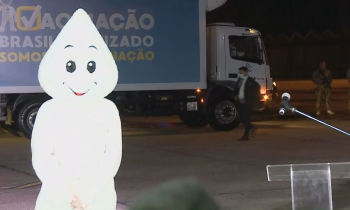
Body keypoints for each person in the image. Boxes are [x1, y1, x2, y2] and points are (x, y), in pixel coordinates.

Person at [233, 66, 260, 141]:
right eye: (239, 72)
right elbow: (236, 89)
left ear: (245, 72)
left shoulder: (250, 81)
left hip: (247, 102)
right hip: (240, 101)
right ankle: (251, 127)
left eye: (241, 72)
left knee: (246, 118)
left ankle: (246, 135)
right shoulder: (239, 80)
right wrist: (235, 95)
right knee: (240, 117)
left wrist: (248, 99)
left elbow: (256, 89)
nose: (240, 74)